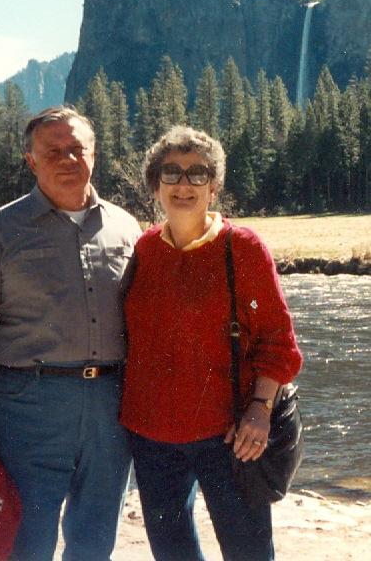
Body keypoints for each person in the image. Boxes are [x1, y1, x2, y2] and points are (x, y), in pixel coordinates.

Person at [0, 106, 141, 560]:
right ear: (30, 160)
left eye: (77, 149)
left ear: (94, 155)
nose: (67, 159)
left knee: (95, 540)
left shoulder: (126, 227)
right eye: (53, 151)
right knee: (24, 540)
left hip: (111, 404)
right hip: (29, 406)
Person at [120, 126, 303, 561]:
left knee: (248, 553)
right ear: (155, 185)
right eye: (171, 172)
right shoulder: (145, 249)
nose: (184, 184)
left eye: (198, 173)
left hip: (229, 436)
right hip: (151, 437)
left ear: (214, 187)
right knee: (172, 553)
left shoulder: (243, 248)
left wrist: (260, 408)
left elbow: (278, 340)